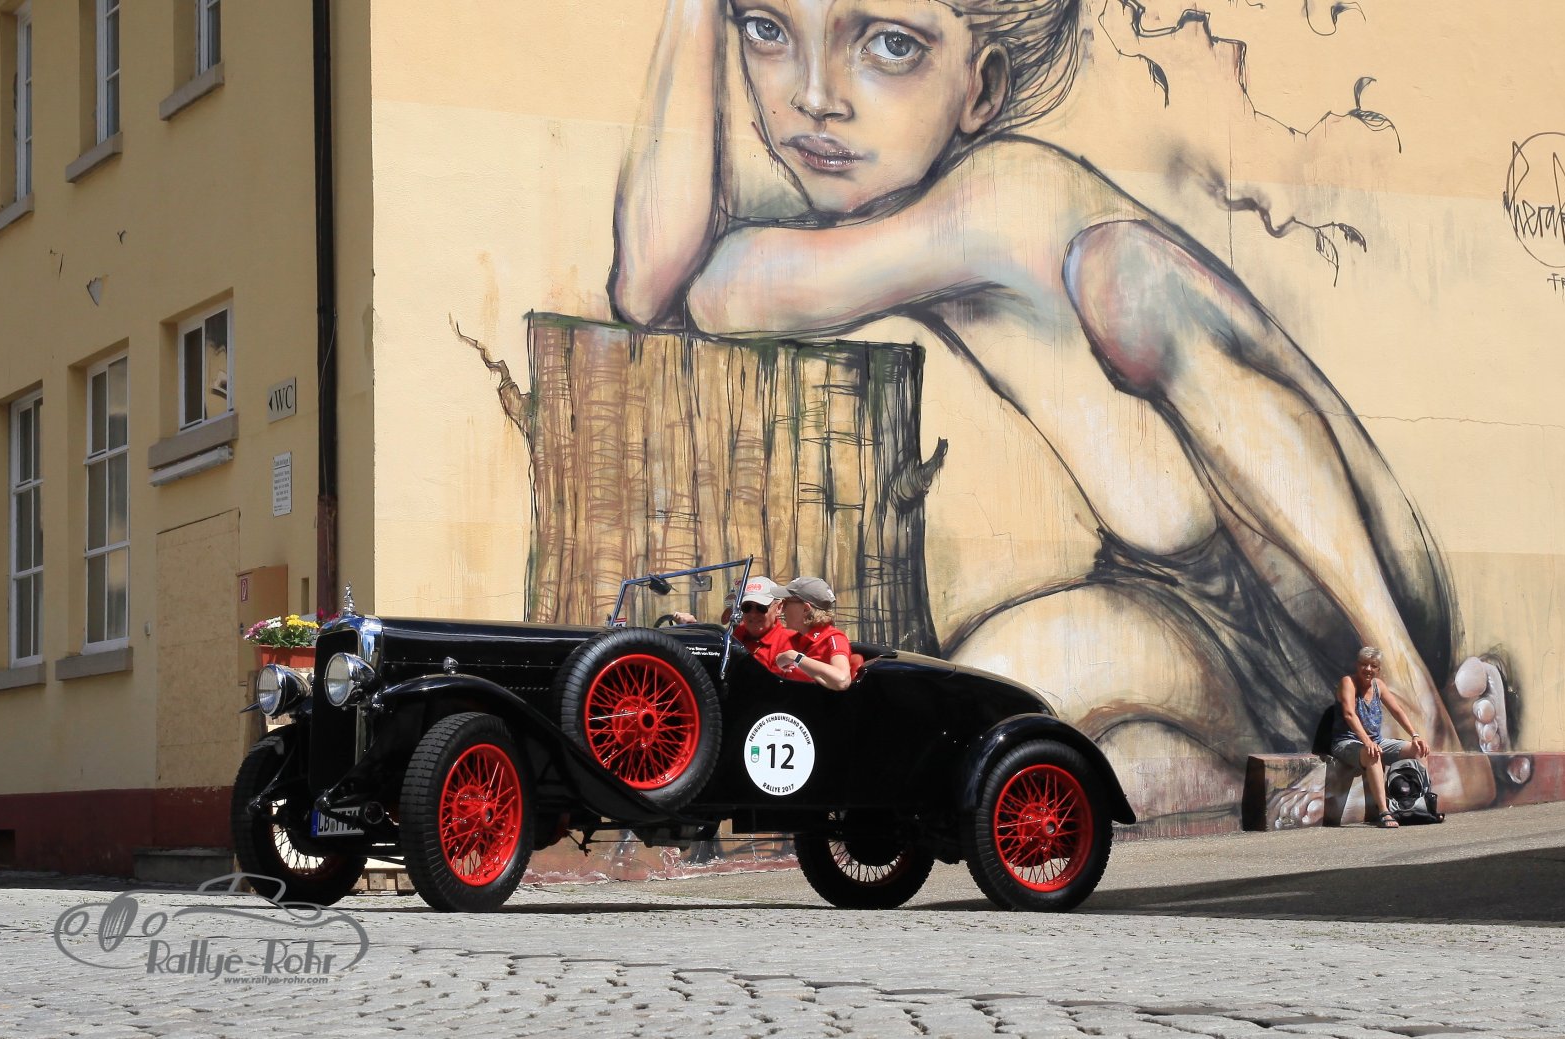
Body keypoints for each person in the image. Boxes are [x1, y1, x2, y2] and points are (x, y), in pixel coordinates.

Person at [610, 0, 1499, 814]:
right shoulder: (882, 216)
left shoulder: (1002, 196)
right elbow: (663, 286)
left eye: (891, 47)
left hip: (1331, 595)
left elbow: (680, 287)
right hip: (1183, 605)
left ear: (983, 88)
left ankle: (1427, 721)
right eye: (766, 31)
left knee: (1123, 280)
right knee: (988, 700)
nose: (815, 97)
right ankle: (1292, 776)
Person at [1331, 646, 1430, 828]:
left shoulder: (1379, 686)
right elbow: (1349, 714)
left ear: (1378, 669)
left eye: (1373, 666)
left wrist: (1415, 735)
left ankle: (1419, 804)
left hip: (1376, 741)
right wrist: (1367, 742)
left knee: (1418, 750)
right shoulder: (1348, 682)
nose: (1368, 669)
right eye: (1364, 664)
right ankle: (1384, 812)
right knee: (1373, 754)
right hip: (1347, 742)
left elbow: (1397, 711)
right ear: (1357, 665)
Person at [673, 574, 795, 673]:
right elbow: (714, 652)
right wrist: (693, 628)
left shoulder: (790, 642)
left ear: (779, 608)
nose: (753, 614)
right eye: (746, 607)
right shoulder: (737, 634)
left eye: (761, 608)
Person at [774, 576, 854, 690]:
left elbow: (842, 680)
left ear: (805, 609)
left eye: (786, 603)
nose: (781, 609)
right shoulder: (795, 639)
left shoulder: (833, 638)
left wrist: (795, 658)